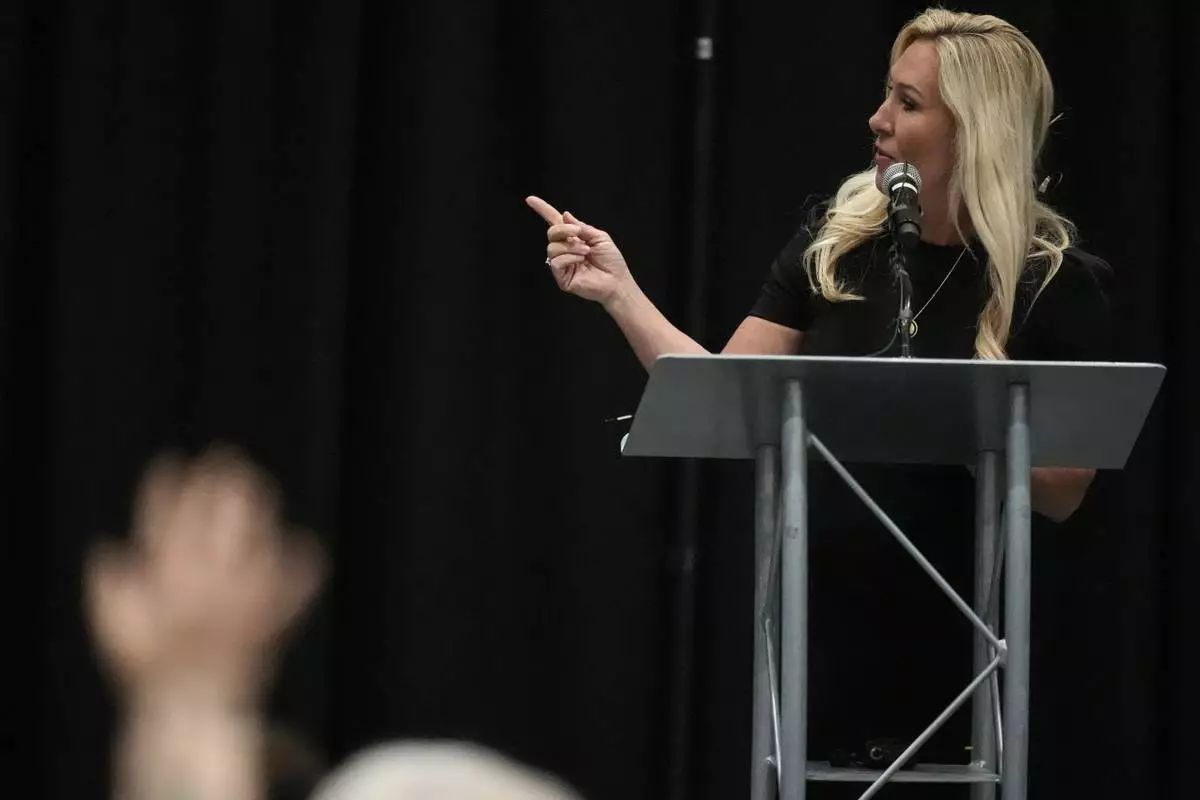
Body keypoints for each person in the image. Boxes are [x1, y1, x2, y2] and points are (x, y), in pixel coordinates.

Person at [526, 6, 1112, 793]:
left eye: (908, 103)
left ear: (975, 129)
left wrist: (944, 418)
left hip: (973, 635)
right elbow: (727, 397)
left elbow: (1067, 489)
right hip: (819, 616)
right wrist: (620, 292)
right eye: (885, 94)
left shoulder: (1054, 282)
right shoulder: (836, 247)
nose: (878, 119)